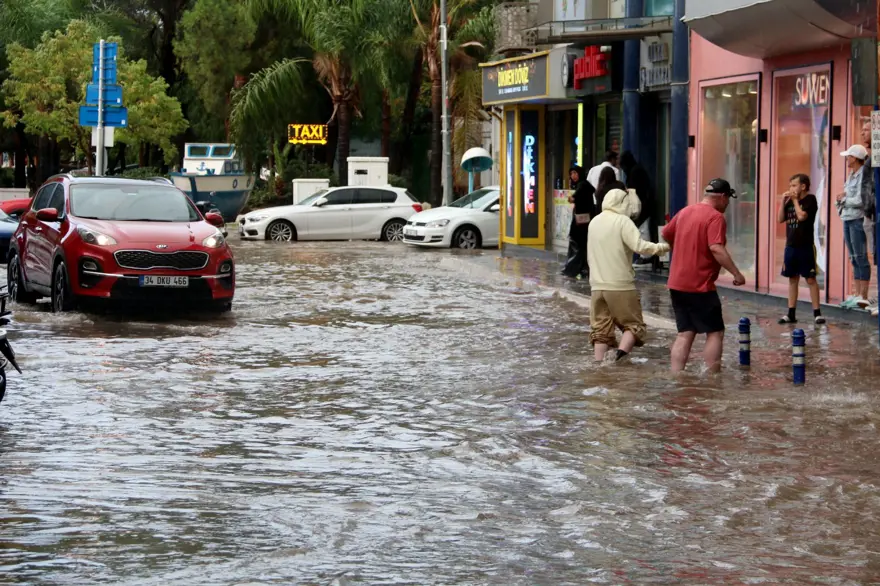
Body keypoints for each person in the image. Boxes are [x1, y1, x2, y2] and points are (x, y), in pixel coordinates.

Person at [661, 179, 746, 373]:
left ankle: (676, 375)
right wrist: (737, 273)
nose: (727, 205)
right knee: (715, 332)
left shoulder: (684, 212)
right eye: (728, 200)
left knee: (685, 333)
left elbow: (666, 234)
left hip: (677, 283)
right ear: (723, 197)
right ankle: (712, 378)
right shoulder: (715, 217)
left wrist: (683, 246)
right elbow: (716, 248)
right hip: (700, 285)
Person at [588, 188, 669, 362]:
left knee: (601, 330)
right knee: (634, 325)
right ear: (623, 203)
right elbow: (640, 247)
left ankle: (599, 366)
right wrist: (664, 247)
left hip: (596, 286)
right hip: (620, 285)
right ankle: (618, 359)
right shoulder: (622, 221)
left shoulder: (594, 222)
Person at [777, 174, 825, 325]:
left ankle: (817, 313)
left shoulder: (810, 200)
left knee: (810, 279)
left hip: (805, 245)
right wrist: (782, 202)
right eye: (790, 185)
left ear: (803, 186)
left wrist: (795, 201)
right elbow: (780, 219)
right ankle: (791, 313)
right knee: (792, 279)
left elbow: (802, 216)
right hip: (791, 245)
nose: (791, 188)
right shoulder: (790, 201)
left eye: (794, 185)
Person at [836, 145, 874, 307]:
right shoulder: (851, 175)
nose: (847, 159)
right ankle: (857, 294)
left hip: (857, 220)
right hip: (847, 218)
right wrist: (840, 201)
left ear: (856, 158)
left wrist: (843, 200)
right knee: (853, 257)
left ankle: (863, 295)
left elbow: (860, 200)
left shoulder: (863, 176)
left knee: (860, 256)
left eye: (849, 156)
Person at [620, 151, 659, 271]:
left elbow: (636, 190)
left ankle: (646, 256)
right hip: (644, 205)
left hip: (643, 206)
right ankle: (646, 255)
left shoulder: (634, 172)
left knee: (643, 230)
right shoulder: (636, 170)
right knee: (642, 229)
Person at [562, 165, 596, 279]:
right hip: (583, 220)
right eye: (571, 173)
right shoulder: (584, 185)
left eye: (575, 173)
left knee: (577, 245)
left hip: (580, 222)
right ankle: (582, 269)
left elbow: (575, 197)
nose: (573, 176)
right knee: (582, 245)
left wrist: (573, 198)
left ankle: (572, 270)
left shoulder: (582, 185)